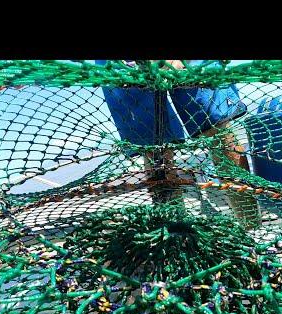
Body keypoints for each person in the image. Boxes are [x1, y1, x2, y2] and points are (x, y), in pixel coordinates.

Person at [97, 60, 258, 225]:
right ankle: (175, 234)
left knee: (218, 129)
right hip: (125, 63)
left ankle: (250, 227)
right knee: (154, 145)